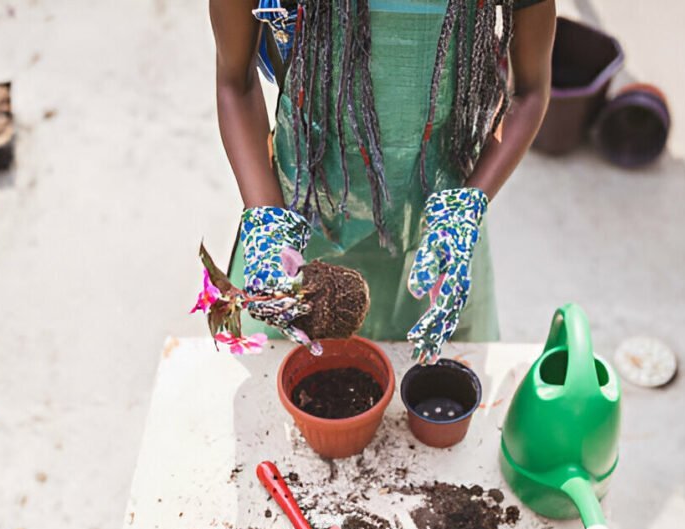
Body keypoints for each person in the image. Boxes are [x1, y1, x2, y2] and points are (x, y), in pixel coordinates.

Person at [210, 0, 554, 363]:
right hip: (299, 220)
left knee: (440, 376)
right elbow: (235, 82)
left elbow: (530, 91)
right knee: (285, 377)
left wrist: (469, 203)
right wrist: (267, 221)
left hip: (439, 227)